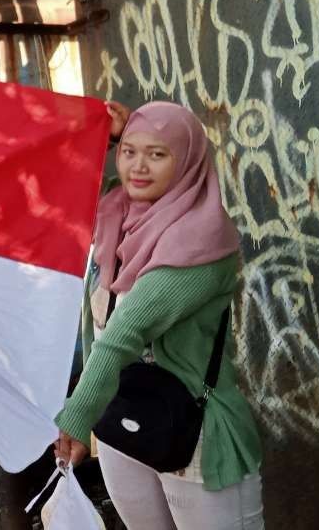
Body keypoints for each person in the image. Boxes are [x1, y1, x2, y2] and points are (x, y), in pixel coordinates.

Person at [54, 101, 264, 529]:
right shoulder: (117, 215)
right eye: (129, 152)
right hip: (122, 416)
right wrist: (108, 134)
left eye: (157, 153)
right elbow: (67, 177)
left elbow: (121, 335)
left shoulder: (201, 239)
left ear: (185, 159)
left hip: (195, 432)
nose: (139, 167)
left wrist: (76, 418)